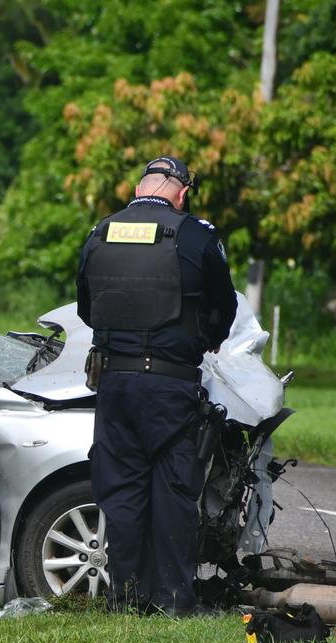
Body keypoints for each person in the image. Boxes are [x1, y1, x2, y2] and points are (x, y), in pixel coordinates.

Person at [76, 156, 238, 617]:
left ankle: (125, 599)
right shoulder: (197, 236)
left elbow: (87, 307)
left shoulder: (100, 232)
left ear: (139, 186)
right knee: (173, 489)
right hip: (170, 384)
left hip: (114, 384)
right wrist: (200, 341)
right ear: (182, 193)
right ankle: (172, 600)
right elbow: (223, 308)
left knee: (121, 491)